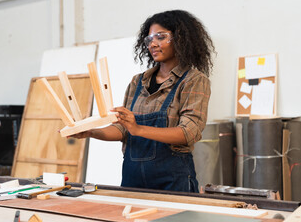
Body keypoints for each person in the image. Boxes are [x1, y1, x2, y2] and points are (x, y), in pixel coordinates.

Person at [71, 10, 215, 192]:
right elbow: (123, 129)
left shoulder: (193, 80)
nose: (153, 44)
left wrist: (138, 129)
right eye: (149, 40)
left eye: (160, 37)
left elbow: (189, 132)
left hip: (172, 179)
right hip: (133, 177)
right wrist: (91, 132)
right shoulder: (137, 82)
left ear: (180, 38)